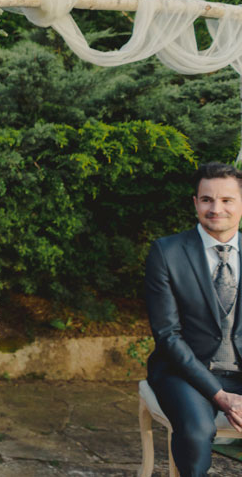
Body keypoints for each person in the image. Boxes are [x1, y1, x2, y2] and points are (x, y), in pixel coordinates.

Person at [145, 162, 242, 476]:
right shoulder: (166, 252)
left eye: (227, 200)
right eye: (206, 200)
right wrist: (220, 396)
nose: (216, 209)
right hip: (184, 372)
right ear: (195, 203)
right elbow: (167, 334)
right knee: (197, 432)